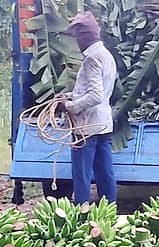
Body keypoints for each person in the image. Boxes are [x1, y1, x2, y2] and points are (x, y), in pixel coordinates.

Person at [63, 11, 118, 204]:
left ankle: (81, 211)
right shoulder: (106, 56)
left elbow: (95, 95)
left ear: (84, 37)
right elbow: (97, 92)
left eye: (77, 37)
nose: (77, 41)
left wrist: (69, 106)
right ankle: (109, 209)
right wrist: (70, 96)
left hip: (87, 127)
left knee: (82, 175)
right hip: (103, 124)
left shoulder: (92, 59)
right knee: (105, 172)